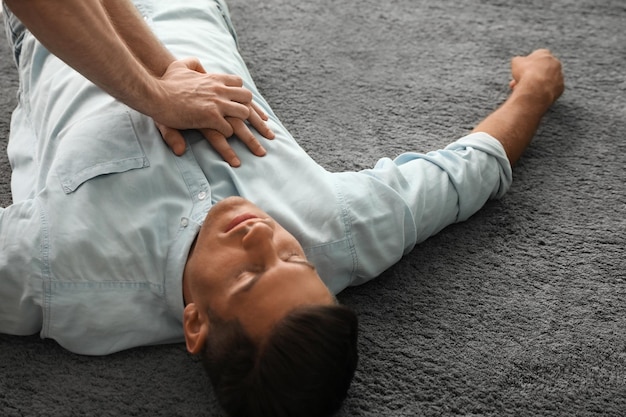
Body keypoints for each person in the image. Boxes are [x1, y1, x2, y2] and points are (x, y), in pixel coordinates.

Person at [0, 1, 564, 416]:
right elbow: (469, 172)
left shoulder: (55, 274)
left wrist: (157, 90)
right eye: (295, 263)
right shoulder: (338, 231)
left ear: (195, 323)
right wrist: (534, 94)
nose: (263, 236)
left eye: (247, 276)